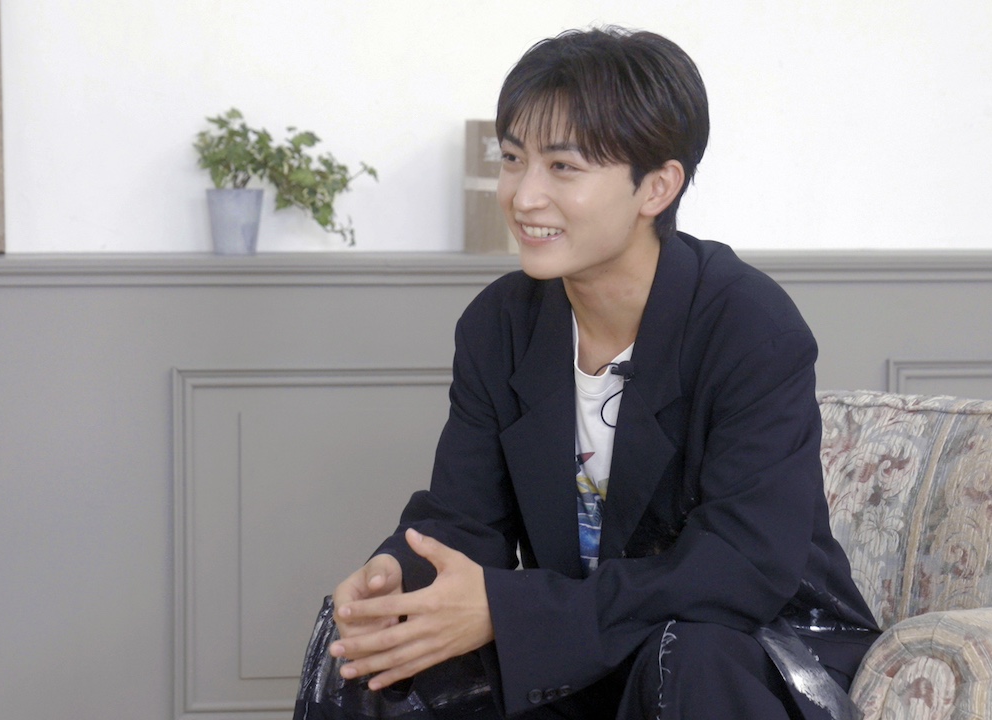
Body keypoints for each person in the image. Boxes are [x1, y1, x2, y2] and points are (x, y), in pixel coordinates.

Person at [308, 26, 879, 720]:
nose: (524, 196)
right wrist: (399, 574)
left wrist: (514, 611)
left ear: (656, 187)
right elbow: (466, 520)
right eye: (513, 159)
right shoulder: (499, 325)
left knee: (686, 656)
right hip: (584, 641)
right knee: (364, 653)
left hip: (754, 645)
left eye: (563, 167)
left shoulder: (750, 325)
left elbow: (740, 568)